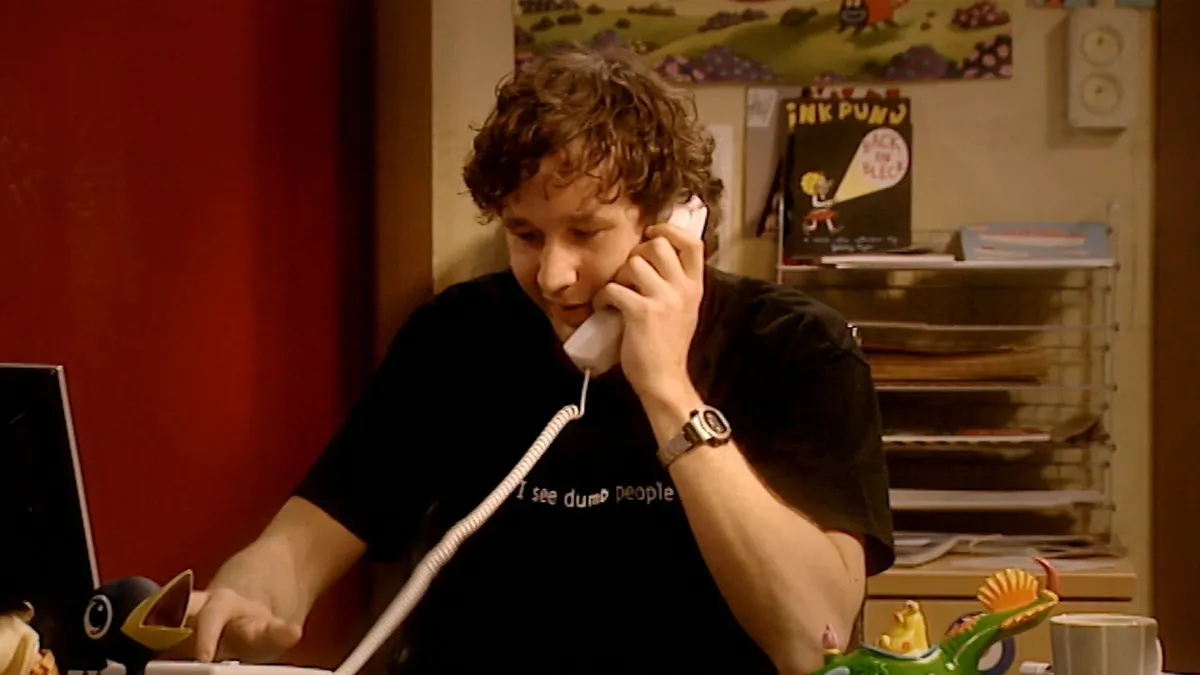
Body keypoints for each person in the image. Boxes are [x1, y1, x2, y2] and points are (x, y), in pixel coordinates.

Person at [185, 45, 894, 675]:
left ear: (674, 224)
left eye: (585, 232)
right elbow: (309, 537)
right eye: (526, 234)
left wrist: (667, 390)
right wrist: (250, 595)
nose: (553, 276)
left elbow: (811, 640)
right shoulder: (455, 336)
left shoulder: (796, 346)